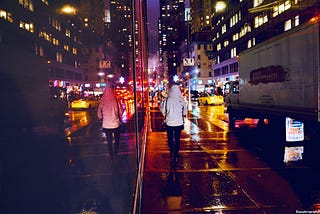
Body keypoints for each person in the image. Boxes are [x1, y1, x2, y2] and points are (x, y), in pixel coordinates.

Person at [160, 84, 188, 161]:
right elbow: (185, 112)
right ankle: (176, 153)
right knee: (177, 138)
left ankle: (172, 151)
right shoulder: (181, 100)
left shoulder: (167, 100)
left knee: (170, 138)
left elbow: (162, 110)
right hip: (179, 123)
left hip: (169, 122)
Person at [97, 86, 124, 158]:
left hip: (106, 125)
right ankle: (116, 152)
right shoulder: (116, 100)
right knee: (117, 140)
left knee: (109, 141)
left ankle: (111, 155)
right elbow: (121, 110)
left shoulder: (102, 101)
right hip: (115, 124)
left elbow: (99, 113)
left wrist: (101, 117)